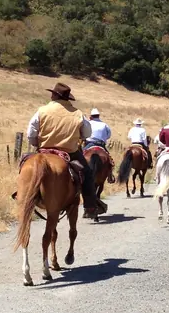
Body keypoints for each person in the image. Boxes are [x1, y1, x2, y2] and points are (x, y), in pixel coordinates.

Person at [26, 83, 105, 218]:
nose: (51, 95)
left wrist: (36, 144)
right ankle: (90, 206)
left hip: (44, 149)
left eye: (52, 93)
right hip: (69, 152)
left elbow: (31, 133)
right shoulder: (78, 114)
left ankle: (21, 194)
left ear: (55, 95)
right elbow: (87, 133)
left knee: (25, 165)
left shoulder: (42, 110)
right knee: (87, 174)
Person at [84, 108, 115, 183]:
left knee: (80, 158)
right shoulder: (104, 125)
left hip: (89, 144)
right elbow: (108, 135)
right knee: (110, 161)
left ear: (91, 116)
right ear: (98, 116)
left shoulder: (88, 123)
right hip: (101, 144)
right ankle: (110, 176)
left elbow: (84, 133)